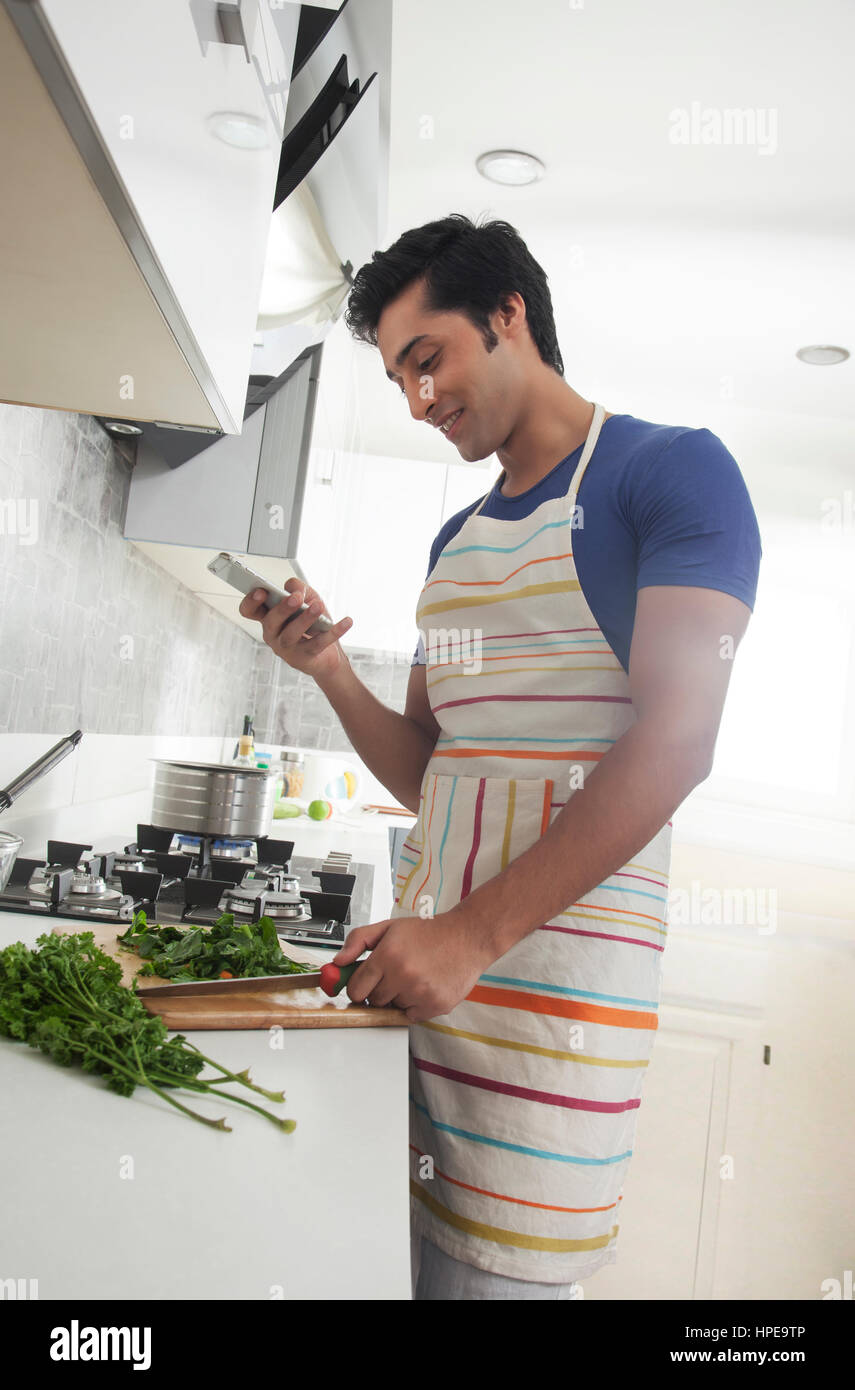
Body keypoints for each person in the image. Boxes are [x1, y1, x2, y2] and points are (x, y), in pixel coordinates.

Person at [239, 213, 762, 1301]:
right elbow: (438, 769)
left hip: (546, 1042)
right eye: (396, 380)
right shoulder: (456, 541)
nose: (418, 399)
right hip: (419, 1003)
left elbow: (679, 741)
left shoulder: (672, 476)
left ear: (508, 315)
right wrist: (330, 674)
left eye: (426, 359)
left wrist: (471, 934)